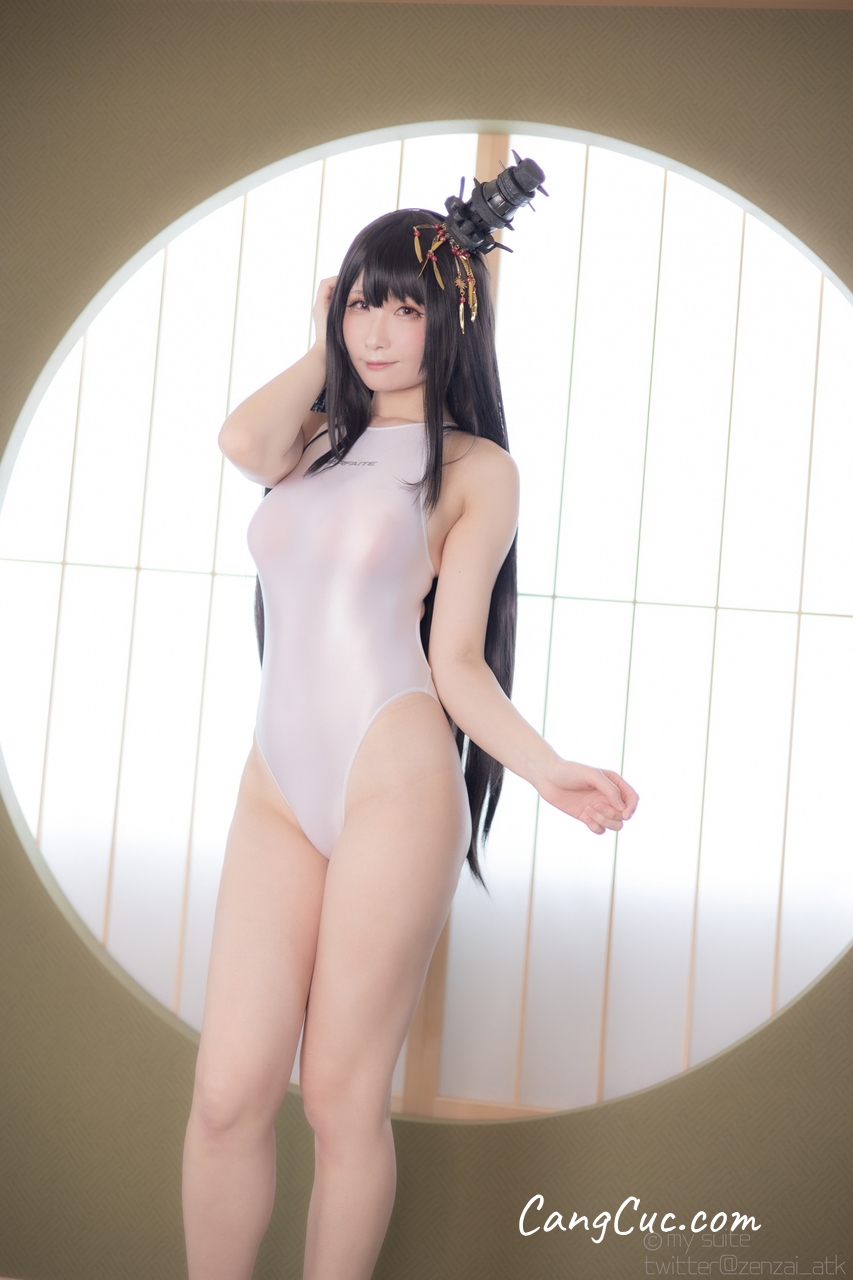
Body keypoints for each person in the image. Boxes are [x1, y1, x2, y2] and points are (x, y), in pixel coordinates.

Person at [181, 200, 639, 1280]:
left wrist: (545, 767)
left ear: (453, 319)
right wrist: (322, 340)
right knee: (227, 1092)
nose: (377, 330)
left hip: (394, 787)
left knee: (340, 1099)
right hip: (274, 788)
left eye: (405, 307)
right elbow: (239, 441)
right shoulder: (308, 442)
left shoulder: (476, 468)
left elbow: (457, 662)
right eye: (359, 304)